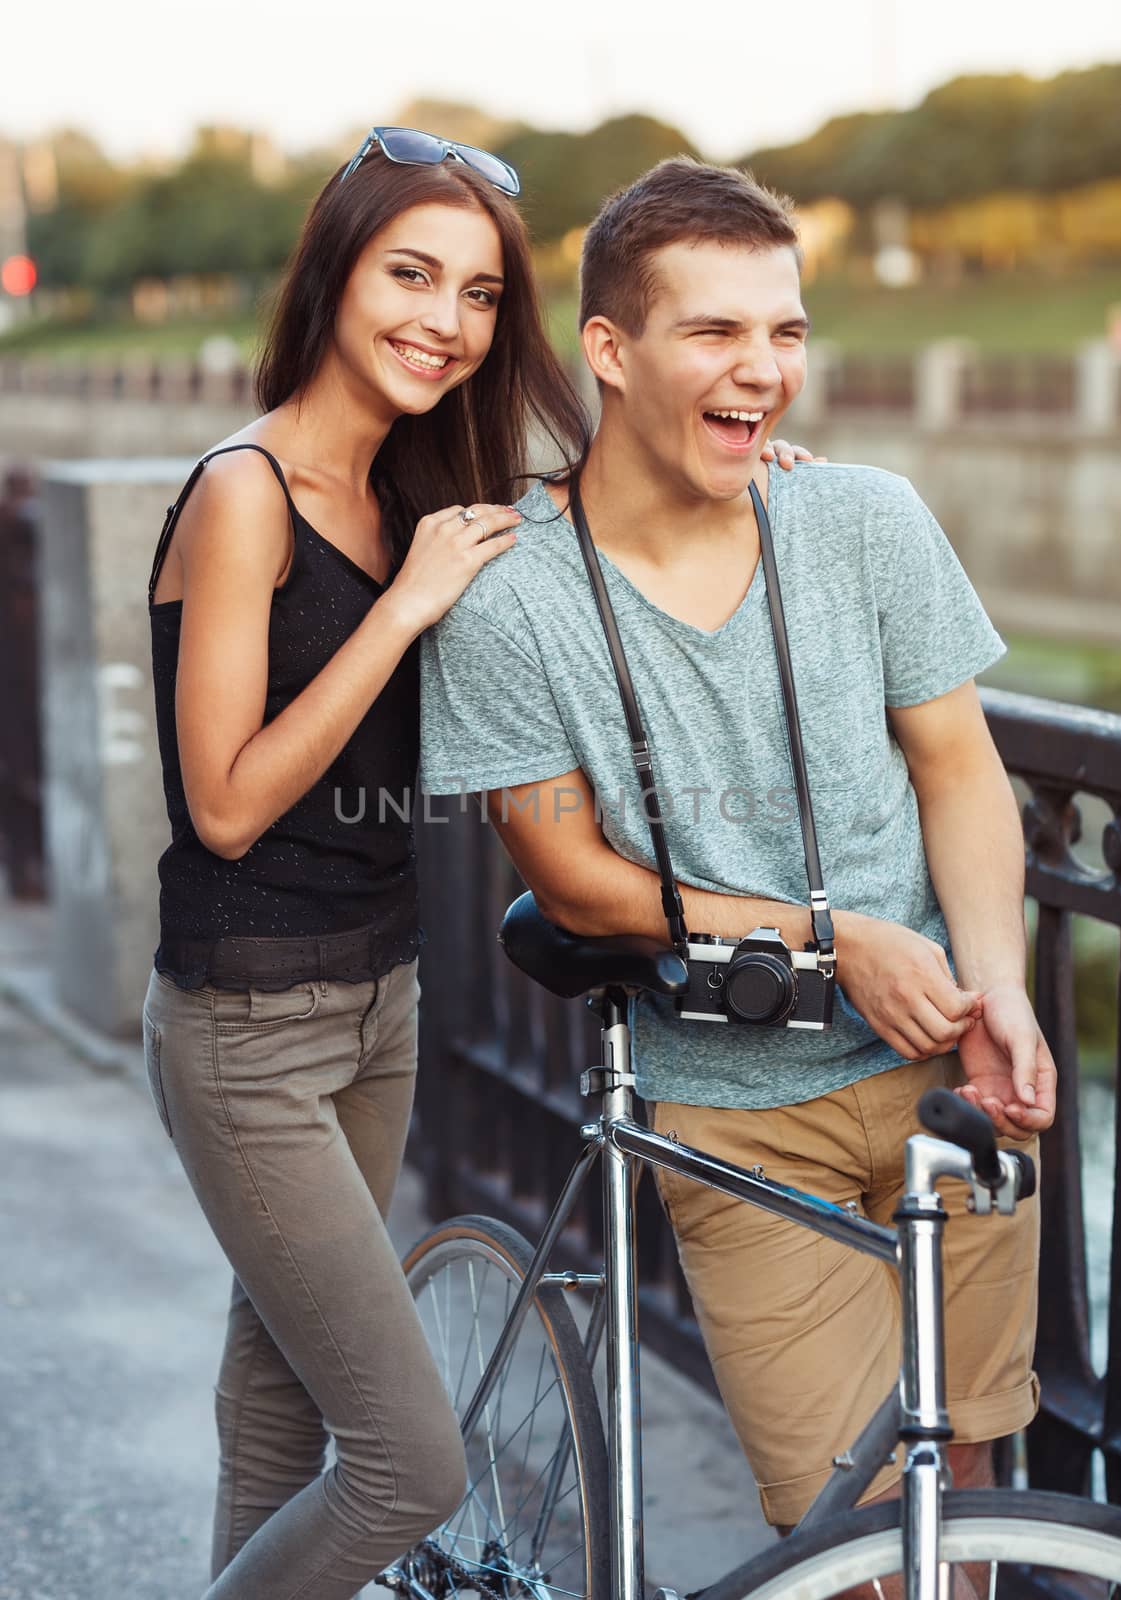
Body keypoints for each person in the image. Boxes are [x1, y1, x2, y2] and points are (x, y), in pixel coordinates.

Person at [419, 157, 1057, 1541]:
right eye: (714, 331)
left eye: (784, 331)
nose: (762, 369)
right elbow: (571, 876)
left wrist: (995, 987)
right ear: (610, 349)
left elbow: (959, 769)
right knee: (861, 1549)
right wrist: (825, 939)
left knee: (975, 1506)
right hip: (730, 1115)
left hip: (945, 1064)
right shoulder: (508, 596)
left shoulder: (860, 516)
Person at [141, 128, 592, 1600]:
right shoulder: (245, 490)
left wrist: (746, 459)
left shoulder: (416, 491)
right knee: (411, 1460)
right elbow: (222, 803)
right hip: (247, 1028)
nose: (444, 323)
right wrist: (399, 613)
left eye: (476, 296)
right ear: (336, 271)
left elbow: (603, 521)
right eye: (411, 274)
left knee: (278, 1413)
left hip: (376, 1003)